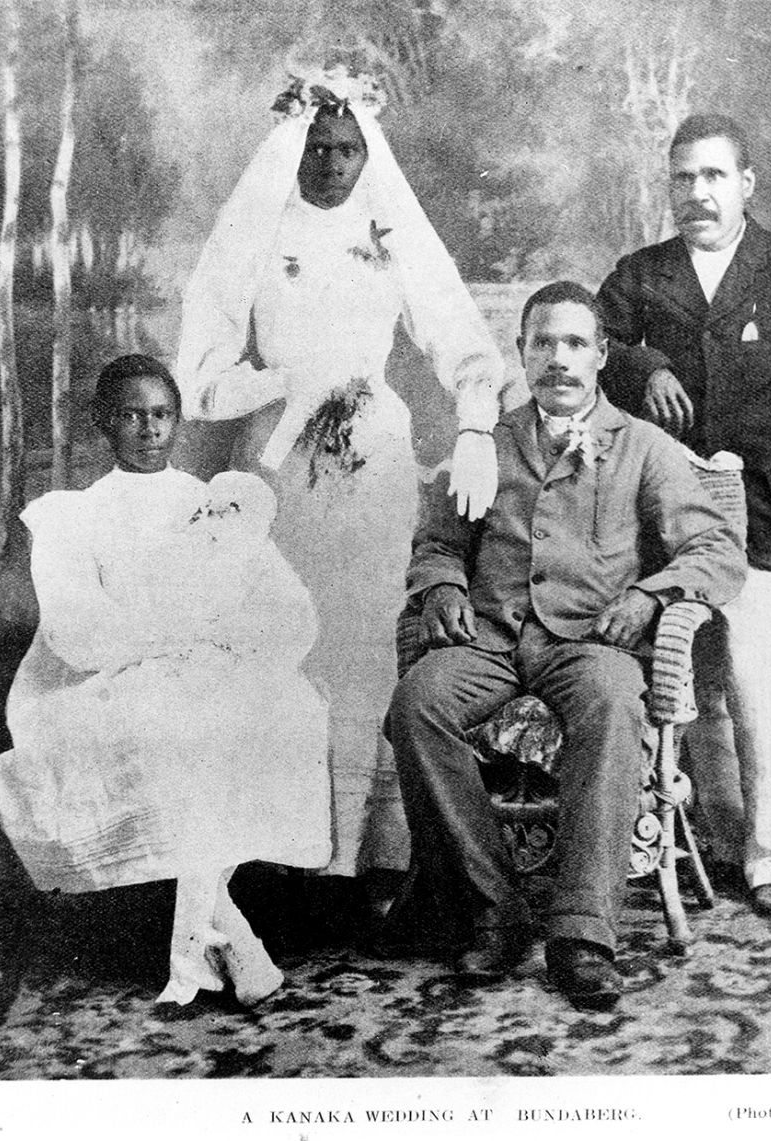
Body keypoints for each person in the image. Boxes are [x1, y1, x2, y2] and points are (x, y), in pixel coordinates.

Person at [174, 67, 505, 883]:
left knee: (366, 643)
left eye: (347, 150)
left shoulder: (388, 230)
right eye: (316, 147)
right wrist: (276, 383)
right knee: (286, 644)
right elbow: (202, 368)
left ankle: (372, 858)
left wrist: (475, 426)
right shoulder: (258, 230)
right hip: (279, 464)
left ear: (369, 155)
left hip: (373, 462)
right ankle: (282, 856)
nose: (329, 164)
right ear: (293, 148)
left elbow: (457, 329)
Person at [386, 282, 746, 1008]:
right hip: (490, 632)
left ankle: (581, 935)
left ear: (603, 354)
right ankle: (496, 909)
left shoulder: (641, 445)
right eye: (543, 342)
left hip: (588, 638)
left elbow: (717, 546)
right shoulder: (484, 442)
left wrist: (648, 596)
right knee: (417, 702)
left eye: (575, 343)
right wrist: (443, 585)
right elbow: (438, 540)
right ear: (521, 352)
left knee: (616, 702)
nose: (558, 358)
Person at [0, 355, 331, 1007]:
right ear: (102, 423)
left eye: (162, 415)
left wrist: (231, 637)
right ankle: (233, 933)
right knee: (174, 726)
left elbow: (280, 601)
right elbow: (74, 627)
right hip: (102, 678)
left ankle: (214, 924)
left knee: (283, 709)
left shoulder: (211, 501)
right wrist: (170, 635)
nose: (149, 429)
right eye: (131, 415)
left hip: (205, 664)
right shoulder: (73, 516)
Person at [597, 113, 771, 914]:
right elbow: (591, 340)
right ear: (668, 186)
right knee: (690, 684)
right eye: (684, 177)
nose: (699, 193)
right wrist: (647, 365)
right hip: (664, 521)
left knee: (758, 681)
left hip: (769, 515)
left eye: (715, 176)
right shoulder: (642, 274)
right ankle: (719, 828)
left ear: (746, 184)